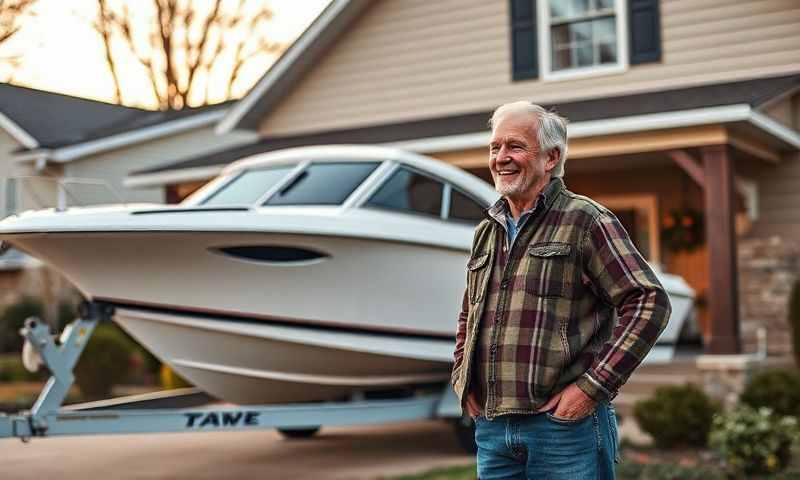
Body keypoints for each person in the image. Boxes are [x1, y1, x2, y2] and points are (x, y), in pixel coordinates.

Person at [450, 101, 672, 479]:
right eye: (494, 147)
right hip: (491, 430)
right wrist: (463, 379)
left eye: (515, 146)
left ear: (551, 158)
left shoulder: (587, 220)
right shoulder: (487, 229)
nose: (501, 157)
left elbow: (649, 302)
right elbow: (470, 312)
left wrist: (590, 389)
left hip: (564, 431)